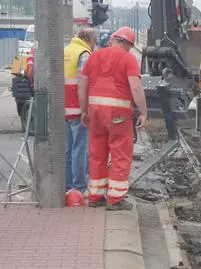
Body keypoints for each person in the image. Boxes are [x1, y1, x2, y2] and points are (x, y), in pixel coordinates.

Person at [78, 26, 148, 211]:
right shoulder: (128, 59)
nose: (129, 50)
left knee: (97, 153)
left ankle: (95, 196)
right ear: (127, 43)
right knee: (120, 154)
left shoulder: (94, 56)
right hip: (118, 115)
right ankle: (115, 199)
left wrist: (83, 110)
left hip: (95, 113)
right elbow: (136, 88)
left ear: (114, 38)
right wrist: (143, 112)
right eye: (130, 46)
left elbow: (82, 85)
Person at [64, 27, 98, 198]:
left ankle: (67, 185)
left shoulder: (66, 50)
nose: (95, 46)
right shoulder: (84, 54)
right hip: (77, 108)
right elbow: (84, 85)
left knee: (68, 149)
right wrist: (86, 109)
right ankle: (79, 187)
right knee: (79, 148)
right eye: (95, 42)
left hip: (63, 108)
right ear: (89, 40)